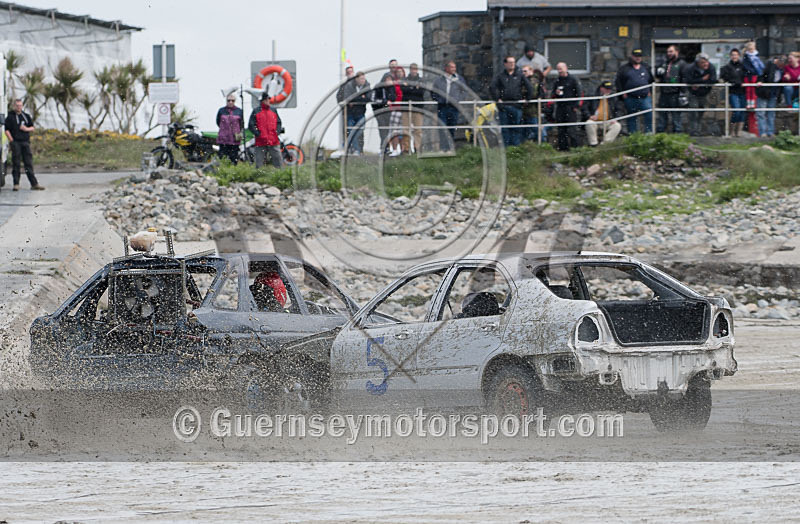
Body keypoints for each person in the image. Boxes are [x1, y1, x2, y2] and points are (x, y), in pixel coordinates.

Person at [490, 56, 533, 146]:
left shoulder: (519, 75)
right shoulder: (501, 76)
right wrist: (497, 99)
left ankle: (515, 149)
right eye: (510, 62)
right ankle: (506, 150)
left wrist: (527, 99)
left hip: (516, 105)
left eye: (513, 62)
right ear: (505, 64)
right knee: (505, 129)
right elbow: (492, 87)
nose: (512, 64)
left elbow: (529, 87)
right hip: (504, 106)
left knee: (516, 128)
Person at [4, 99, 44, 191]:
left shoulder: (26, 116)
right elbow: (6, 130)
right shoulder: (10, 116)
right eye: (17, 105)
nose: (19, 107)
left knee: (28, 163)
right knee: (16, 163)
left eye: (20, 105)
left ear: (22, 106)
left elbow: (32, 127)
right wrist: (12, 140)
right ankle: (16, 184)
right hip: (16, 142)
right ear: (14, 106)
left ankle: (34, 184)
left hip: (25, 142)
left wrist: (26, 129)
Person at [431, 61, 470, 152]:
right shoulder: (439, 80)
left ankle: (450, 148)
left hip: (454, 107)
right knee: (442, 127)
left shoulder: (459, 79)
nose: (454, 69)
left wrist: (458, 99)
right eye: (452, 67)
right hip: (442, 107)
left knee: (452, 127)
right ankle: (443, 148)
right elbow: (433, 92)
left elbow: (464, 91)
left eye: (454, 67)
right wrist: (439, 100)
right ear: (446, 68)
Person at [615, 49, 654, 134]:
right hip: (630, 97)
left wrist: (649, 91)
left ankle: (649, 133)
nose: (638, 58)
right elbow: (618, 81)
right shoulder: (624, 68)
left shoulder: (646, 67)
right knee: (632, 116)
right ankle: (633, 135)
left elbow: (651, 80)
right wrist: (622, 93)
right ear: (632, 56)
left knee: (649, 114)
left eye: (639, 56)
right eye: (636, 56)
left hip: (644, 97)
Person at [655, 45, 687, 133]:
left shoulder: (682, 63)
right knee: (662, 113)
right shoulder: (664, 62)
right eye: (668, 52)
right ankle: (661, 132)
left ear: (677, 52)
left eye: (671, 51)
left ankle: (678, 132)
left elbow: (684, 78)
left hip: (675, 93)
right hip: (664, 92)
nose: (669, 53)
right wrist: (658, 71)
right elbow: (658, 76)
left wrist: (682, 93)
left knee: (676, 114)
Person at [552, 62, 583, 151]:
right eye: (558, 69)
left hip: (571, 107)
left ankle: (575, 148)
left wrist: (576, 106)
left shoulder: (573, 79)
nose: (559, 71)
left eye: (561, 68)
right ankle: (563, 149)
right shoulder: (557, 81)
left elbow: (579, 93)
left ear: (566, 68)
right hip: (560, 107)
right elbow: (552, 94)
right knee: (561, 129)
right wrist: (556, 93)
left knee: (571, 129)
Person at [684, 53, 717, 136]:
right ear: (698, 62)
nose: (705, 64)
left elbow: (713, 80)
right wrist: (702, 79)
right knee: (693, 111)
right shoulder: (690, 68)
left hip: (704, 93)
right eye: (703, 62)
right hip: (693, 93)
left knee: (701, 111)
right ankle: (693, 131)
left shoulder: (711, 67)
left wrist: (699, 83)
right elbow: (688, 80)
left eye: (706, 62)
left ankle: (698, 130)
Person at [248, 92, 282, 168]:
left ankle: (281, 176)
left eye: (268, 99)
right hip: (260, 142)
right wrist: (258, 134)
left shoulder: (274, 110)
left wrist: (277, 132)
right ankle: (258, 177)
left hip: (274, 141)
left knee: (278, 161)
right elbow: (251, 125)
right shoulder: (256, 111)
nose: (268, 101)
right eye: (266, 99)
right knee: (259, 163)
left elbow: (279, 122)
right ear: (262, 101)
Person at [371, 59, 399, 151]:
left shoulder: (391, 88)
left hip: (388, 112)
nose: (388, 81)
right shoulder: (377, 87)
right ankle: (384, 147)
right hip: (379, 112)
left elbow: (393, 98)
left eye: (389, 79)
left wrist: (389, 99)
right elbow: (374, 99)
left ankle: (386, 147)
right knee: (382, 130)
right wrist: (385, 102)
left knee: (387, 130)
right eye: (387, 79)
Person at [584, 81, 622, 146]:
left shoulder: (613, 97)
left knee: (617, 125)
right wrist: (589, 116)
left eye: (610, 89)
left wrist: (615, 118)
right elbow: (584, 108)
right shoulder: (593, 96)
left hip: (608, 121)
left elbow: (618, 109)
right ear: (601, 88)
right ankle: (594, 144)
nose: (609, 91)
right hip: (595, 121)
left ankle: (604, 144)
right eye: (607, 89)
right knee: (589, 123)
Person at [720, 49, 747, 136]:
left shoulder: (743, 66)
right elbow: (723, 77)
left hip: (743, 91)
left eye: (736, 55)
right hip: (733, 91)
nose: (734, 56)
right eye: (732, 55)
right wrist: (735, 82)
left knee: (742, 111)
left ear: (738, 56)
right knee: (736, 110)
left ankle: (738, 131)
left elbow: (747, 75)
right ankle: (731, 130)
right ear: (730, 56)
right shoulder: (727, 67)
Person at [343, 71, 371, 154]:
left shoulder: (367, 85)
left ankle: (355, 149)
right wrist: (361, 97)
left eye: (364, 79)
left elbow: (368, 98)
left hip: (361, 113)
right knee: (351, 131)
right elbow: (348, 98)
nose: (363, 80)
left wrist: (357, 98)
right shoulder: (349, 85)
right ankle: (356, 149)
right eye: (361, 79)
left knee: (360, 130)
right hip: (350, 113)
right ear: (356, 79)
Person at [756, 56, 784, 137]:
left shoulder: (782, 70)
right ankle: (762, 132)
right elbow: (761, 74)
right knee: (761, 113)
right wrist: (760, 81)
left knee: (771, 113)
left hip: (773, 93)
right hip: (764, 92)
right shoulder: (769, 65)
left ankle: (770, 132)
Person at [403, 63, 426, 153]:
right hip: (405, 108)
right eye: (412, 69)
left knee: (418, 129)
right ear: (410, 69)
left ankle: (417, 148)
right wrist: (414, 89)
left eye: (415, 69)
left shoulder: (421, 80)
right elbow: (404, 91)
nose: (414, 71)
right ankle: (406, 148)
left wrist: (409, 88)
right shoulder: (404, 79)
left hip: (418, 108)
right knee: (405, 129)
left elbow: (421, 92)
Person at [215, 94, 244, 163]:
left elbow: (241, 124)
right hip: (223, 139)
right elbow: (218, 122)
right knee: (222, 158)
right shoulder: (221, 110)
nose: (230, 102)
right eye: (229, 100)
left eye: (232, 101)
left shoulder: (239, 111)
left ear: (235, 101)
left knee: (234, 159)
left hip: (234, 140)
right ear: (226, 101)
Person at [521, 66, 546, 142]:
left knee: (535, 127)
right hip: (525, 109)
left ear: (531, 71)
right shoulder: (524, 80)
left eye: (525, 71)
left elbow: (533, 93)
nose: (523, 73)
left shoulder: (534, 80)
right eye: (522, 71)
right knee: (525, 129)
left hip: (533, 109)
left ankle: (542, 143)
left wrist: (524, 97)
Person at [386, 68, 406, 156]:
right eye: (397, 72)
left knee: (403, 131)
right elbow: (392, 95)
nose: (399, 73)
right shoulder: (393, 84)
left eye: (401, 72)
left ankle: (403, 149)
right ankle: (394, 149)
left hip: (404, 110)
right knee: (394, 131)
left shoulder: (406, 83)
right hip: (395, 109)